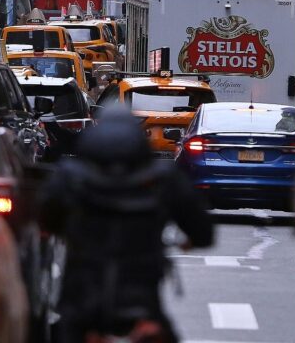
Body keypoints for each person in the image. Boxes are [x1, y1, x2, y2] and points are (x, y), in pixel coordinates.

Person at [38, 105, 214, 343]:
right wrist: (190, 240)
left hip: (82, 298)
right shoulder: (162, 178)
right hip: (140, 299)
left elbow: (47, 220)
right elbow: (203, 232)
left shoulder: (70, 177)